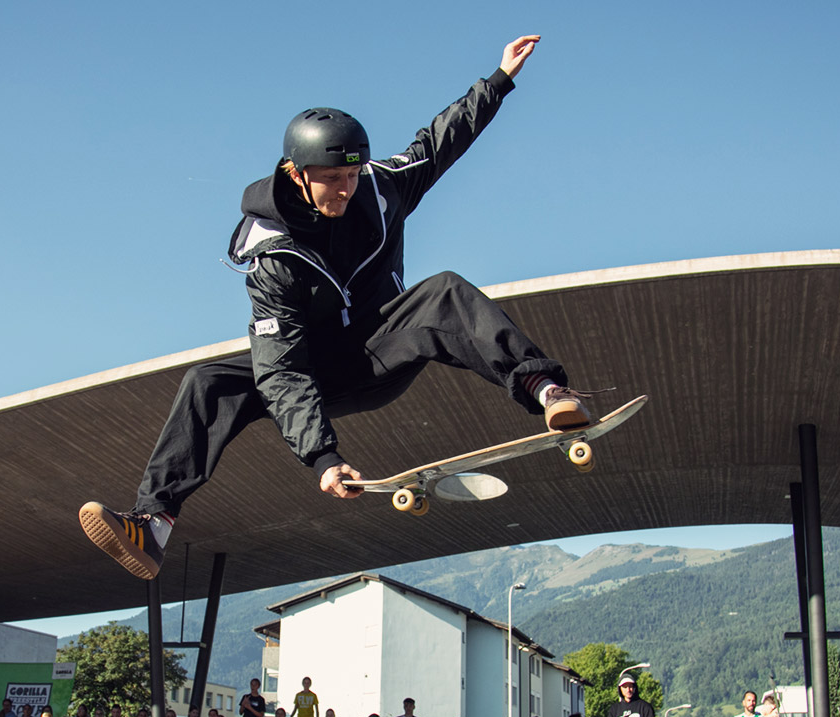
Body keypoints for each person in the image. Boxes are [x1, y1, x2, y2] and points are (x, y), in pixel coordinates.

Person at [78, 34, 596, 580]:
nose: (345, 190)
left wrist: (498, 81)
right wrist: (323, 457)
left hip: (384, 350)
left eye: (351, 176)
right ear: (296, 174)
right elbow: (280, 368)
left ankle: (545, 390)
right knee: (210, 383)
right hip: (315, 372)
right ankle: (152, 523)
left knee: (443, 288)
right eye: (332, 180)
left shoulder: (379, 187)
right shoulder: (273, 255)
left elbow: (440, 142)